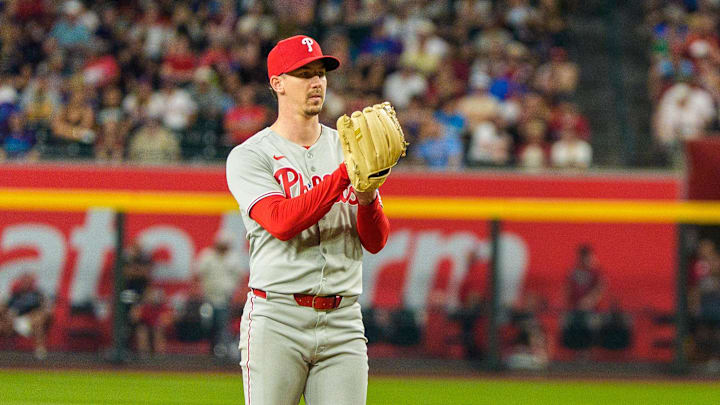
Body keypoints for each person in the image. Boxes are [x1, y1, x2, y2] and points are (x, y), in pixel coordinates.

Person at [226, 35, 390, 405]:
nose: (317, 82)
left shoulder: (348, 145)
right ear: (278, 83)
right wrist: (346, 175)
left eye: (320, 73)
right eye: (304, 74)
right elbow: (281, 222)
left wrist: (367, 200)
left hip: (344, 319)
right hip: (277, 317)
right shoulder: (251, 155)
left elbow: (376, 241)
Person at [194, 231, 246, 357]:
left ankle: (222, 351)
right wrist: (198, 292)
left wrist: (238, 295)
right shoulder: (207, 256)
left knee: (223, 325)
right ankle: (211, 349)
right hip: (208, 298)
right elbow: (197, 275)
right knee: (208, 324)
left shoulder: (233, 258)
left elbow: (241, 277)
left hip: (226, 299)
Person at [0, 273, 52, 359]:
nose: (25, 283)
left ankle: (40, 352)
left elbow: (47, 309)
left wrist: (36, 315)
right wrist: (6, 314)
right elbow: (4, 308)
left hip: (31, 321)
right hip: (13, 322)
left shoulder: (38, 294)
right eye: (23, 281)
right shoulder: (14, 295)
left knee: (38, 319)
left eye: (28, 281)